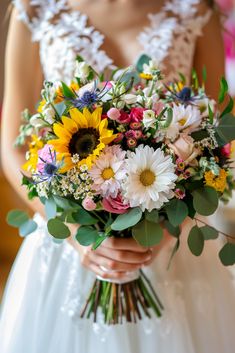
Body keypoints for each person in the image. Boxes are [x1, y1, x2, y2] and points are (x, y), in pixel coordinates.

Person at [0, 1, 234, 352]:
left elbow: (218, 138)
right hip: (68, 245)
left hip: (171, 246)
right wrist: (77, 233)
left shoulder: (194, 10)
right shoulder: (35, 11)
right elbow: (12, 147)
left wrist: (168, 230)